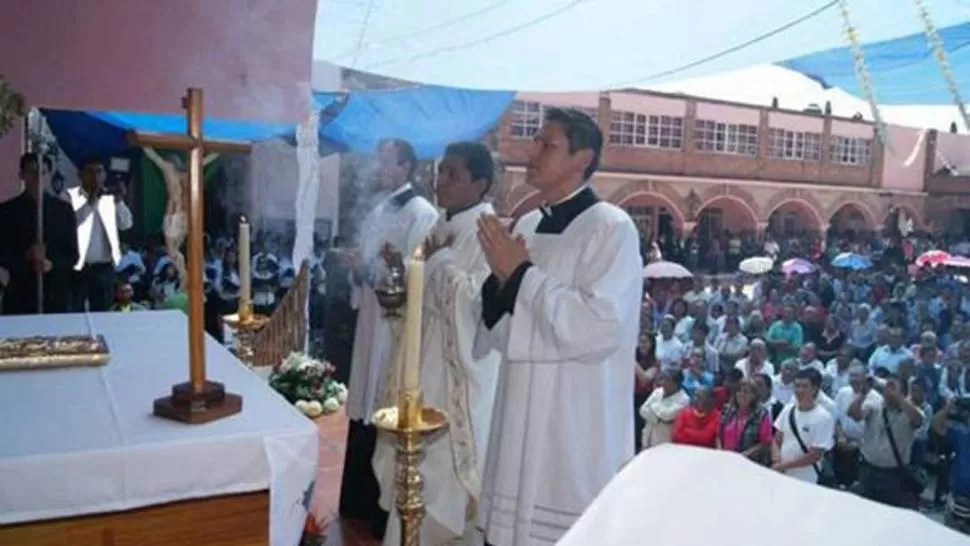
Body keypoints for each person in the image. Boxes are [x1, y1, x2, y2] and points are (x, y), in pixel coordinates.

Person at [473, 108, 642, 545]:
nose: (533, 151)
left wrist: (522, 275)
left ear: (581, 159)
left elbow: (600, 324)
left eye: (547, 144)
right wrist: (498, 284)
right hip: (518, 409)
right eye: (535, 141)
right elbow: (503, 322)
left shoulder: (612, 228)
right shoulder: (527, 224)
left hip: (573, 417)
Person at [374, 142, 501, 546]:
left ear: (480, 185)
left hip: (453, 386)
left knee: (439, 486)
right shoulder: (440, 227)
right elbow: (420, 303)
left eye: (453, 175)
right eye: (440, 171)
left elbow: (481, 312)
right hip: (421, 369)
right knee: (409, 481)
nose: (440, 181)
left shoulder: (488, 235)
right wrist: (401, 282)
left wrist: (441, 264)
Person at [340, 138, 438, 538]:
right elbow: (367, 263)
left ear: (405, 167)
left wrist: (369, 270)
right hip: (369, 325)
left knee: (380, 400)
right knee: (363, 403)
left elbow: (415, 278)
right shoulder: (380, 208)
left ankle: (378, 510)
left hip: (393, 328)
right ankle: (356, 503)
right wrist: (356, 268)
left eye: (385, 162)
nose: (378, 168)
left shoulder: (422, 214)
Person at [0, 153, 79, 314]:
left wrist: (52, 264)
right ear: (21, 175)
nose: (38, 178)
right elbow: (2, 253)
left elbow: (72, 254)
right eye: (31, 172)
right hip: (20, 293)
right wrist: (26, 256)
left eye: (43, 172)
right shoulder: (7, 211)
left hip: (55, 294)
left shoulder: (63, 210)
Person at [848, 374, 925, 509]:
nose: (888, 391)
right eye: (886, 386)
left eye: (892, 387)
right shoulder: (875, 405)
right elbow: (854, 414)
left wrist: (898, 397)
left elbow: (918, 421)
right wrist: (863, 393)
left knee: (889, 511)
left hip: (893, 474)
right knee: (863, 509)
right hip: (869, 469)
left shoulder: (910, 410)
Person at [68, 156, 133, 311]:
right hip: (77, 268)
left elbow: (126, 224)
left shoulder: (110, 198)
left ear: (105, 174)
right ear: (80, 175)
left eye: (99, 171)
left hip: (103, 268)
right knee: (75, 312)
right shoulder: (70, 197)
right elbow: (76, 223)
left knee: (103, 313)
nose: (96, 176)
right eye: (90, 172)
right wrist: (92, 198)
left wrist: (118, 201)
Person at [771, 368, 836, 484]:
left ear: (814, 389)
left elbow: (815, 455)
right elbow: (777, 439)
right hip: (781, 473)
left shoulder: (823, 417)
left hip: (806, 478)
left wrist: (784, 465)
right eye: (797, 386)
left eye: (804, 386)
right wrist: (777, 460)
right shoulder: (787, 410)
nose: (799, 390)